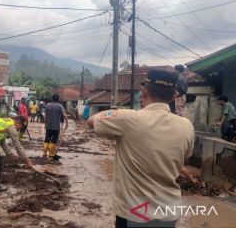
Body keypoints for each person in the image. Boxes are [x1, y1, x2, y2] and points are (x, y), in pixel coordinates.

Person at [87, 69, 195, 228]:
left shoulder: (128, 119)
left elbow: (91, 121)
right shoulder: (186, 126)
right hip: (168, 215)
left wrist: (114, 112)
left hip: (133, 215)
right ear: (173, 96)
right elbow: (183, 157)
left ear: (144, 92)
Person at [43, 94, 68, 160]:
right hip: (56, 127)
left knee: (47, 139)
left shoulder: (47, 105)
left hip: (48, 126)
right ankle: (51, 155)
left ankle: (45, 154)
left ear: (52, 98)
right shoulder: (60, 106)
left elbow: (45, 116)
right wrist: (67, 123)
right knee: (54, 140)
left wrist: (45, 124)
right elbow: (64, 115)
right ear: (58, 99)